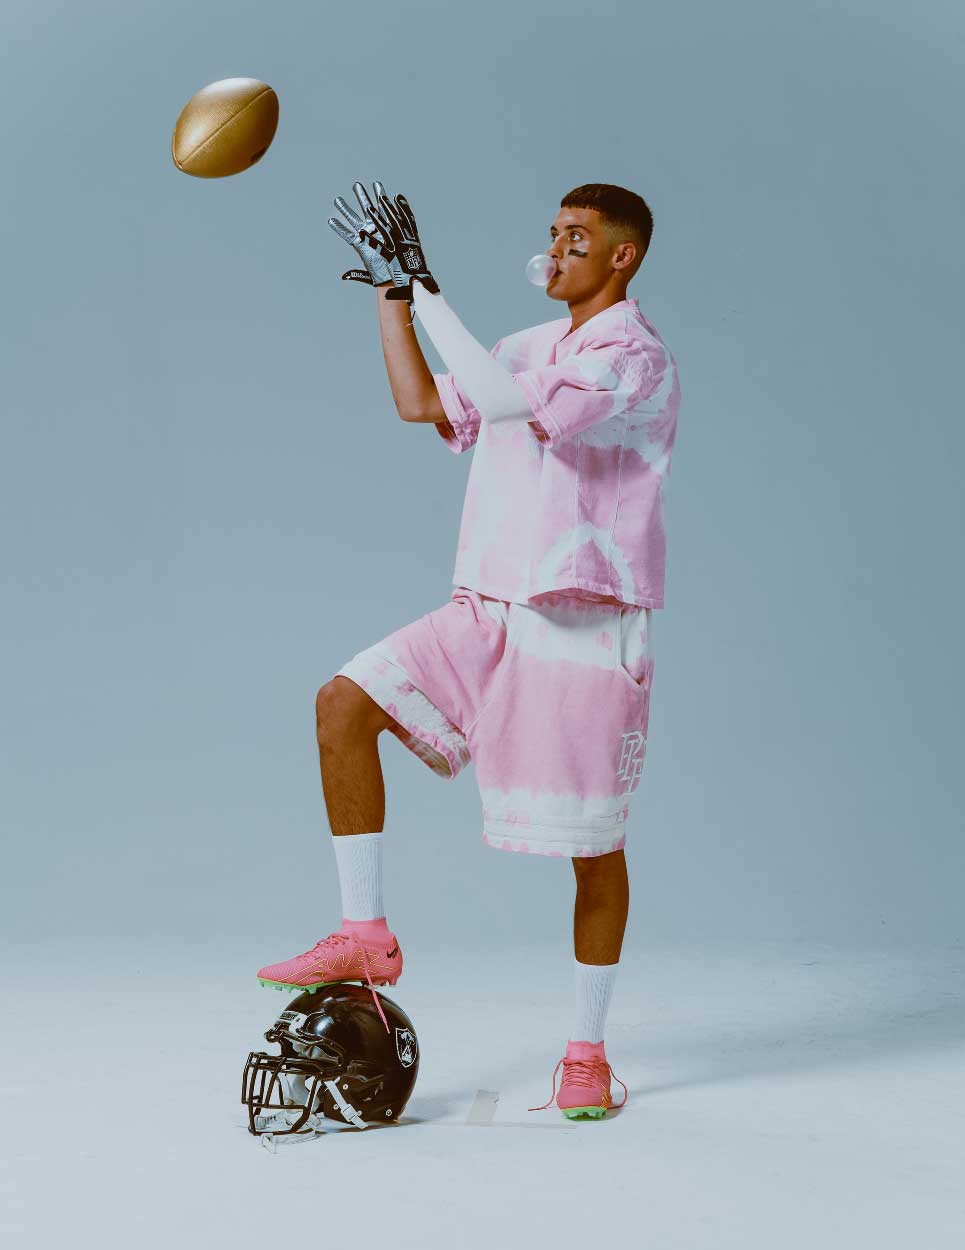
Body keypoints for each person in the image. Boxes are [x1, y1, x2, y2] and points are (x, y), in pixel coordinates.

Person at [256, 182, 682, 1120]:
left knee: (593, 849)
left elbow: (507, 404)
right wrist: (392, 298)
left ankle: (586, 1054)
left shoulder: (635, 357)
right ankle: (365, 932)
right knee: (342, 703)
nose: (556, 249)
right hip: (486, 605)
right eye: (553, 233)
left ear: (623, 256)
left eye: (578, 238)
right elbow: (420, 403)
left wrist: (430, 290)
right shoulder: (524, 347)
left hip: (582, 621)